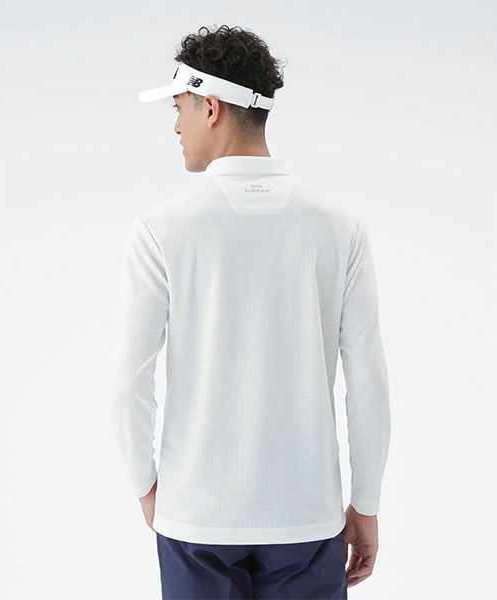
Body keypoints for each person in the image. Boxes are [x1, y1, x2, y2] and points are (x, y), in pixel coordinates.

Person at [109, 24, 391, 600]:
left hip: (197, 518)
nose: (176, 125)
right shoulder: (340, 227)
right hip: (307, 518)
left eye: (179, 108)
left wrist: (147, 488)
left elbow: (128, 381)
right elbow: (368, 380)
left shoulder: (161, 229)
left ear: (210, 107)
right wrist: (365, 503)